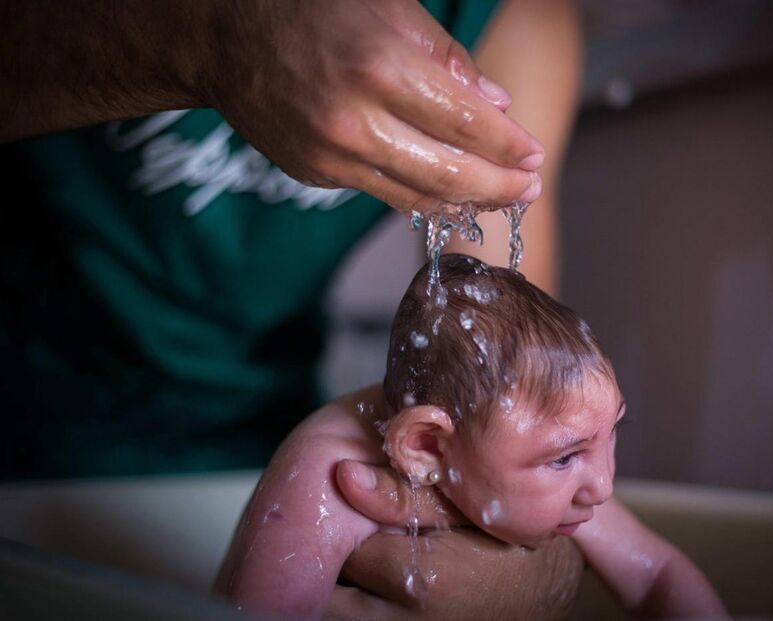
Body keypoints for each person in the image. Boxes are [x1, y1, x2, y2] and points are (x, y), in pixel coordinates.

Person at [1, 0, 585, 616]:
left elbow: (506, 390)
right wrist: (210, 37)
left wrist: (530, 556)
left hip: (259, 446)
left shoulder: (515, 20)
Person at [216, 254, 728, 620]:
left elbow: (657, 573)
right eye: (564, 458)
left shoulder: (517, 447)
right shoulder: (325, 477)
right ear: (428, 447)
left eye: (612, 433)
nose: (602, 486)